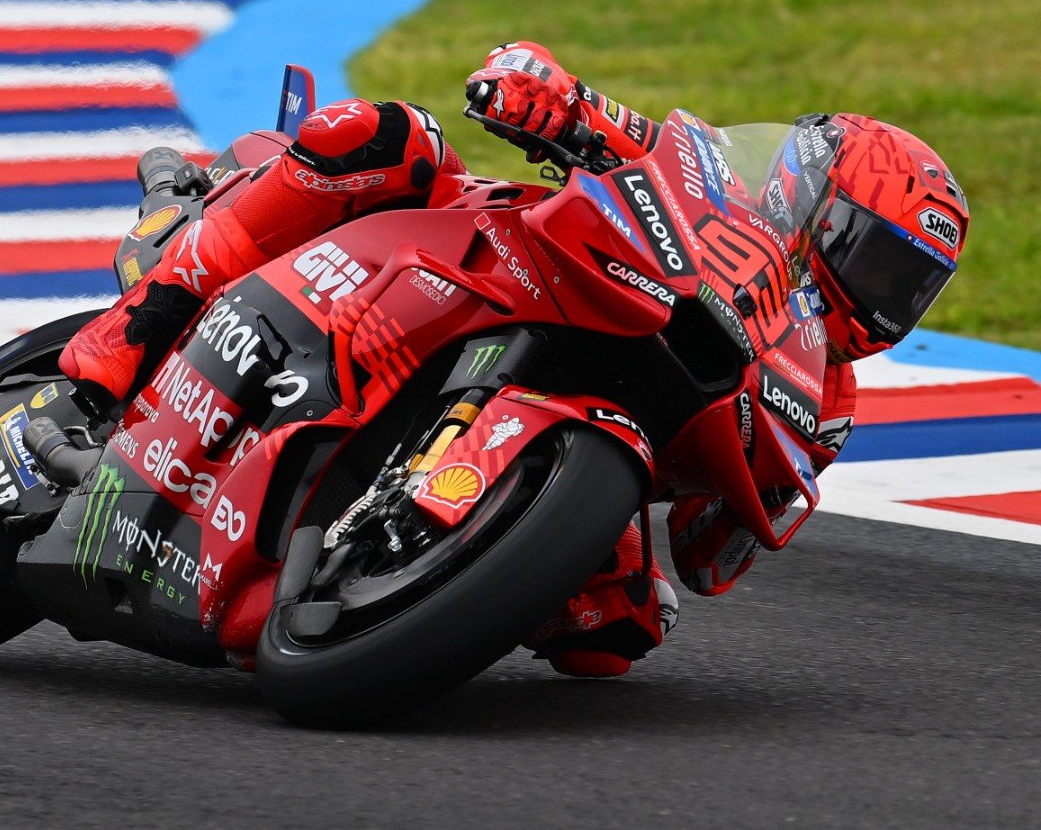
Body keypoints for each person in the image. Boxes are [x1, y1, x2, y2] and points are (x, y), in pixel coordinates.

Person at [61, 40, 971, 678]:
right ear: (810, 197)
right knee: (384, 135)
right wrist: (540, 90)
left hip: (597, 425)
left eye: (908, 285)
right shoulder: (707, 185)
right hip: (473, 262)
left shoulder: (827, 400)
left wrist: (738, 506)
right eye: (875, 258)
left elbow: (706, 558)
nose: (881, 295)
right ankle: (127, 338)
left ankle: (382, 576)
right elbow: (555, 94)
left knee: (613, 634)